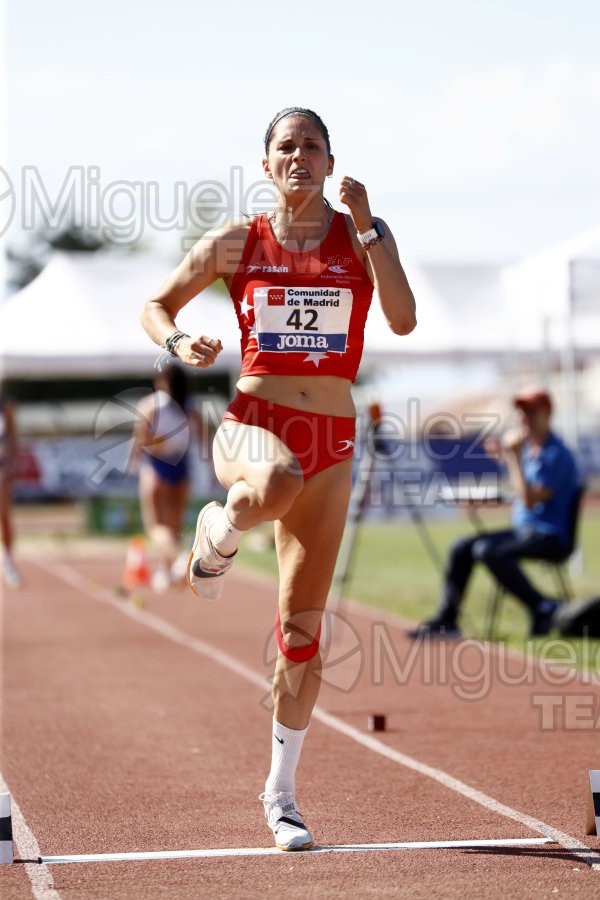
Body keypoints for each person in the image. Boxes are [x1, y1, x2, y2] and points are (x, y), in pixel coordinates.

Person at [141, 106, 416, 850]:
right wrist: (176, 338)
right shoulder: (238, 241)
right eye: (285, 147)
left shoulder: (362, 237)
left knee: (301, 634)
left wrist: (368, 227)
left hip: (336, 438)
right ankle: (223, 526)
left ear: (332, 163)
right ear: (266, 165)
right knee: (273, 483)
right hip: (254, 424)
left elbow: (403, 318)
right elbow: (155, 304)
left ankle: (281, 797)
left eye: (313, 147)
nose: (299, 157)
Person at [410, 386, 580, 640]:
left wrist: (513, 459)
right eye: (521, 413)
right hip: (525, 531)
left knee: (487, 550)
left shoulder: (557, 454)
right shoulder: (531, 451)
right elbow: (523, 489)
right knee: (462, 546)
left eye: (531, 412)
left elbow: (530, 499)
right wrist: (506, 459)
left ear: (547, 414)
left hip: (549, 536)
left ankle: (542, 606)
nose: (524, 418)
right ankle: (448, 619)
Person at [133, 365, 204, 592]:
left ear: (162, 381)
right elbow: (202, 435)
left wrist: (136, 459)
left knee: (156, 526)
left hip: (157, 466)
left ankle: (177, 559)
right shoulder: (191, 406)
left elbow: (142, 438)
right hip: (181, 465)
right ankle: (167, 571)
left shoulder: (152, 403)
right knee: (175, 524)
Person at [0, 390, 23, 588]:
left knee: (3, 512)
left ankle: (8, 560)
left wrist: (14, 462)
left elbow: (13, 436)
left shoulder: (4, 403)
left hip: (1, 466)